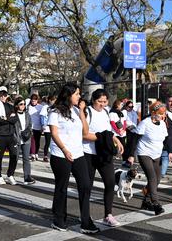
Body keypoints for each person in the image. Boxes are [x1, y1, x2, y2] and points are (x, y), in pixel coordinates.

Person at [48, 83, 99, 234]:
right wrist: (64, 149)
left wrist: (82, 111)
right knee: (62, 187)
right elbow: (54, 134)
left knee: (85, 186)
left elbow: (85, 131)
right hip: (60, 154)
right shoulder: (55, 112)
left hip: (78, 153)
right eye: (76, 94)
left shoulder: (77, 110)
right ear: (68, 95)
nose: (79, 96)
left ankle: (85, 221)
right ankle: (59, 219)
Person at [80, 89, 124, 227]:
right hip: (89, 154)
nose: (103, 104)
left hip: (104, 154)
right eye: (100, 101)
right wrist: (102, 137)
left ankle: (108, 215)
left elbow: (108, 132)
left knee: (110, 183)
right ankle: (85, 215)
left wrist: (117, 140)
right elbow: (84, 134)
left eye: (105, 101)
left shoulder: (106, 111)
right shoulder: (87, 112)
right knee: (87, 186)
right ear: (93, 100)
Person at [133, 101, 168, 215]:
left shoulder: (162, 124)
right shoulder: (145, 123)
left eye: (164, 113)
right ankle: (156, 204)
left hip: (157, 154)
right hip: (144, 153)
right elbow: (135, 139)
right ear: (153, 112)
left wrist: (169, 152)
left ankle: (146, 201)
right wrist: (130, 155)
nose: (162, 116)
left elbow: (165, 139)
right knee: (152, 178)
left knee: (157, 179)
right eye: (160, 113)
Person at [0, 86, 19, 186]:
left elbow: (15, 119)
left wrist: (5, 119)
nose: (3, 96)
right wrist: (8, 118)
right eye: (1, 94)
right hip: (0, 135)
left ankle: (10, 174)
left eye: (5, 95)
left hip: (10, 135)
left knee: (14, 155)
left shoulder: (10, 106)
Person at [14, 97, 36, 185]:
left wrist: (28, 133)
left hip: (26, 139)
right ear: (16, 105)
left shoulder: (27, 114)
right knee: (14, 158)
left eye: (24, 104)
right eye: (21, 104)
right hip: (16, 139)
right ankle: (10, 175)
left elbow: (30, 125)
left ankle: (27, 177)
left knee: (26, 158)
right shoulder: (13, 115)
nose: (23, 106)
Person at [40, 95, 56, 162]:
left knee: (53, 142)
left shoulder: (55, 107)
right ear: (50, 100)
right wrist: (43, 125)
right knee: (48, 142)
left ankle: (52, 154)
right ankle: (45, 156)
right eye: (53, 100)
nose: (54, 102)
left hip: (54, 127)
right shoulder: (45, 107)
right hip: (47, 127)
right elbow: (42, 116)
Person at [122, 100, 139, 167]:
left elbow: (137, 119)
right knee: (127, 146)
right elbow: (123, 121)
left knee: (132, 146)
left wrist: (137, 125)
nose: (131, 108)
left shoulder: (134, 112)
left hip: (134, 130)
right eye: (129, 107)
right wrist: (127, 127)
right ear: (126, 106)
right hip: (127, 130)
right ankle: (125, 160)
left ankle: (129, 160)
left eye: (132, 107)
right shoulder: (124, 112)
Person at [28, 94, 43, 161]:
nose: (33, 102)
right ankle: (32, 154)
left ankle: (36, 153)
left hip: (38, 126)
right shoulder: (28, 107)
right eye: (32, 101)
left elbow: (43, 117)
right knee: (32, 140)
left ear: (37, 100)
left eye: (35, 101)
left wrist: (43, 126)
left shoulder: (40, 107)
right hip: (30, 127)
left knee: (37, 141)